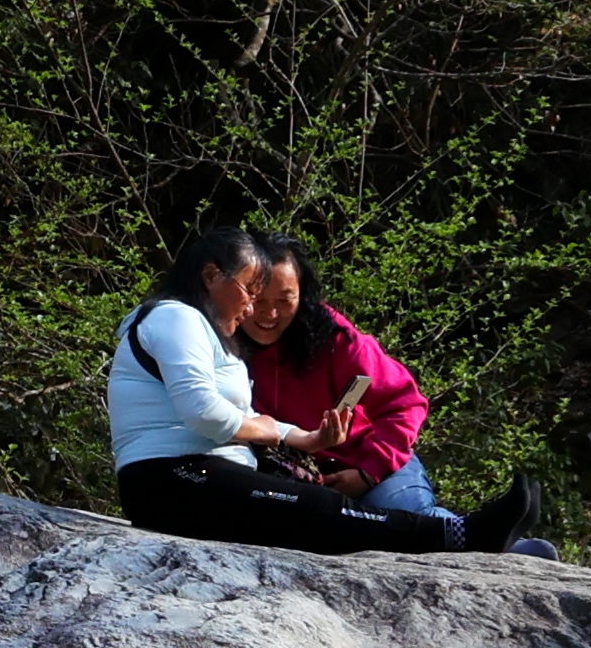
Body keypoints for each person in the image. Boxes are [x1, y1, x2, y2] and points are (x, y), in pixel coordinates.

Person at [112, 230, 553, 558]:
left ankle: (474, 537)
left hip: (358, 461)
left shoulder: (324, 339)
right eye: (251, 293)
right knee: (318, 509)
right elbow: (206, 414)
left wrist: (307, 440)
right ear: (211, 277)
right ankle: (469, 537)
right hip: (172, 477)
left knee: (339, 511)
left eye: (280, 300)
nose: (256, 310)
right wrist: (279, 436)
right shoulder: (175, 317)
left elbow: (404, 402)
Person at [238, 256, 459, 524]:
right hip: (292, 478)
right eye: (259, 300)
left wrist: (368, 472)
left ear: (303, 295)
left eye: (285, 300)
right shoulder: (216, 337)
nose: (271, 314)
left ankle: (504, 543)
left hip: (372, 462)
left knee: (405, 521)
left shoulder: (337, 338)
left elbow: (405, 404)